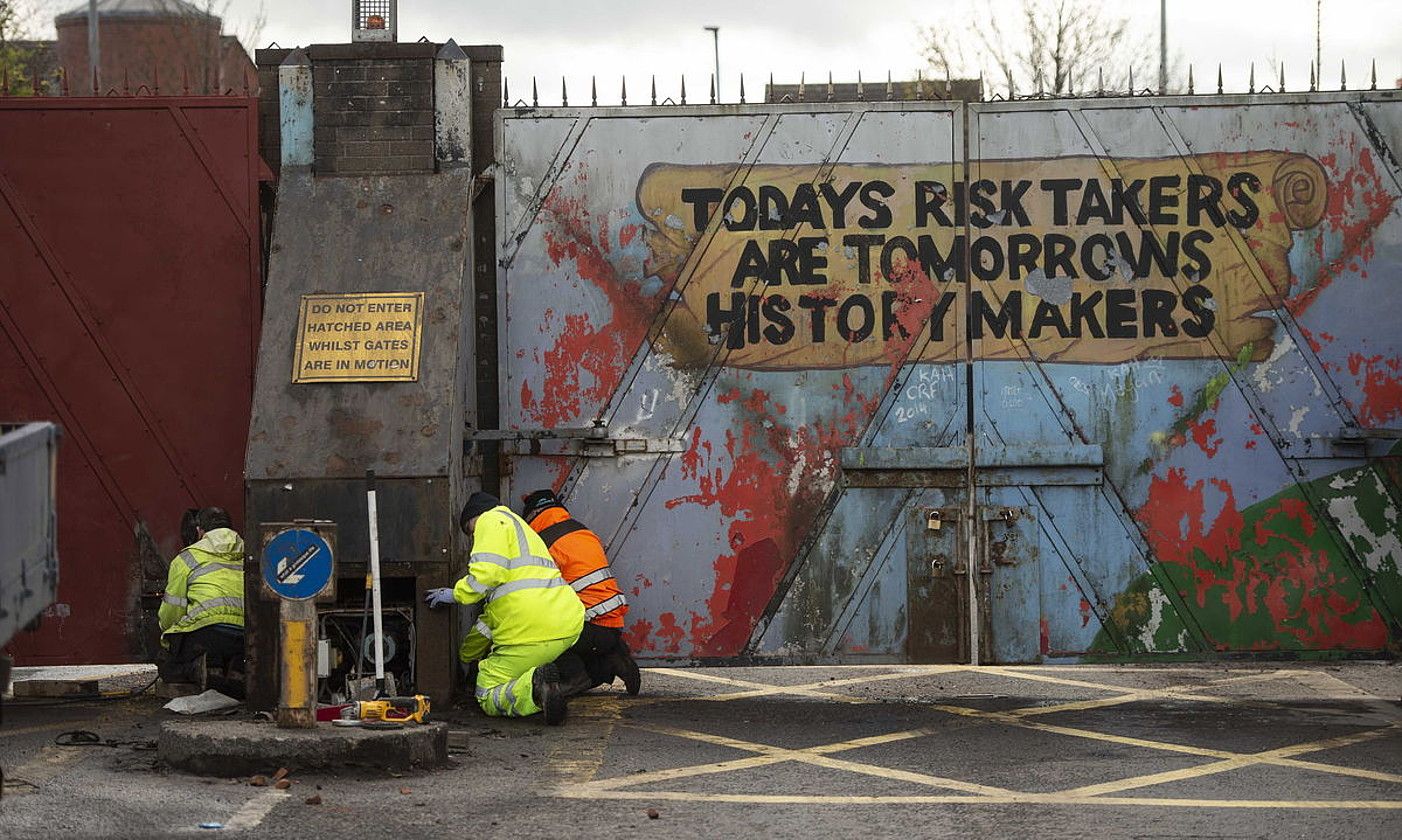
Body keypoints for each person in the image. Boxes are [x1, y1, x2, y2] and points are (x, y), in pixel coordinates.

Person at [424, 492, 582, 725]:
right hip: (566, 624)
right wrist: (467, 655)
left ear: (472, 519)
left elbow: (485, 574)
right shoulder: (522, 531)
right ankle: (539, 680)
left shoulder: (489, 520)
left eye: (470, 533)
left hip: (529, 630)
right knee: (520, 668)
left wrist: (456, 594)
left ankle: (535, 690)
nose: (473, 539)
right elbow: (488, 622)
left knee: (487, 691)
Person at [521, 490, 642, 697]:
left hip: (588, 625)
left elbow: (535, 597)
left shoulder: (541, 544)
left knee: (537, 635)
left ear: (532, 516)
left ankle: (573, 676)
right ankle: (613, 659)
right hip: (612, 624)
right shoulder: (581, 531)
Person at [157, 507, 246, 699]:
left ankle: (202, 668)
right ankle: (238, 669)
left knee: (168, 665)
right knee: (235, 648)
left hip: (206, 633)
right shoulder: (250, 553)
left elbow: (172, 612)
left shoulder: (187, 558)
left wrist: (169, 639)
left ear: (199, 531)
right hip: (246, 634)